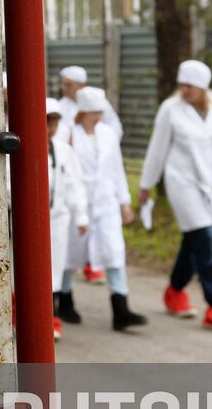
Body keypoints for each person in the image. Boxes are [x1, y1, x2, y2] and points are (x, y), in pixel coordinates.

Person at [137, 59, 212, 334]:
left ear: (203, 86)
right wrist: (147, 184)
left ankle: (175, 290)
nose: (185, 90)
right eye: (182, 85)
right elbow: (157, 148)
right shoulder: (171, 109)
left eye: (190, 86)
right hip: (182, 183)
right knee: (206, 242)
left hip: (211, 185)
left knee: (193, 241)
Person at [60, 87, 147, 331]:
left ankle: (121, 308)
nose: (97, 117)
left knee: (114, 251)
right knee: (71, 253)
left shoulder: (108, 134)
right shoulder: (69, 134)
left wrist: (124, 202)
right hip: (77, 202)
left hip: (106, 203)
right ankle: (65, 301)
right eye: (92, 112)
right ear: (82, 113)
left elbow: (116, 169)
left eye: (100, 111)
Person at [56, 65, 121, 284]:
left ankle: (117, 296)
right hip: (77, 186)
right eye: (63, 84)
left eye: (69, 85)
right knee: (71, 248)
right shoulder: (61, 108)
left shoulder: (102, 114)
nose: (64, 88)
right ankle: (65, 294)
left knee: (111, 247)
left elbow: (114, 135)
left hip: (103, 192)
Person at [45, 98, 89, 341]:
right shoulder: (23, 146)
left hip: (58, 218)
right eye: (47, 123)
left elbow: (74, 184)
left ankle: (51, 316)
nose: (51, 129)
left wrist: (81, 214)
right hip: (28, 221)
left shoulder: (64, 151)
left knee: (54, 268)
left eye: (55, 123)